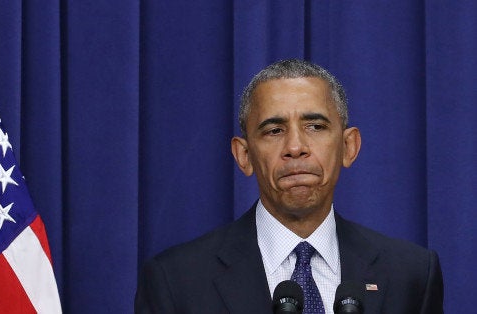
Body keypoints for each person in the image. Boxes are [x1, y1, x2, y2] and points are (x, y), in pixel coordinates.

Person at [134, 59, 444, 313]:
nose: (295, 147)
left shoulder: (411, 274)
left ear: (349, 147)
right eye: (274, 130)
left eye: (315, 126)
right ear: (244, 155)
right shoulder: (175, 281)